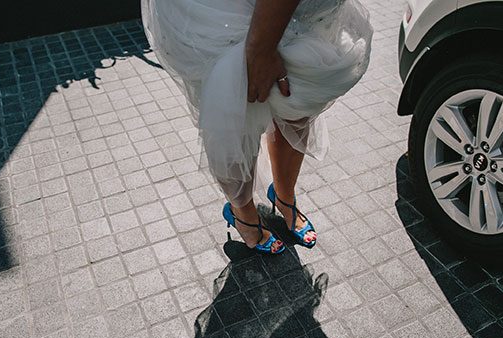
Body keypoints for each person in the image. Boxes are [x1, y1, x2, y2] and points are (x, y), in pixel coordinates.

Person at [141, 0, 372, 254]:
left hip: (312, 15)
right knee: (237, 107)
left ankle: (284, 196)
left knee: (297, 107)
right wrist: (261, 50)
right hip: (232, 14)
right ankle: (243, 213)